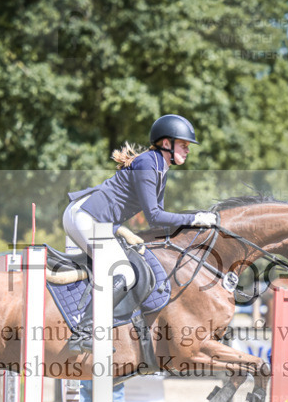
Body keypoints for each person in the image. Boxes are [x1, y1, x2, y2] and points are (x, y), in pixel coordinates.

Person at [62, 114, 218, 353]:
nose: (187, 150)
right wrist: (195, 219)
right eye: (183, 144)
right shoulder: (148, 163)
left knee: (125, 266)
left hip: (97, 220)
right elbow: (155, 215)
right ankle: (84, 333)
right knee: (123, 271)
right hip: (85, 216)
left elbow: (159, 220)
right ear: (166, 143)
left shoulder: (159, 166)